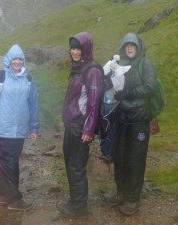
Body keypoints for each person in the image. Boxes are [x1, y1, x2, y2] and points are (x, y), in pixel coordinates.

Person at [103, 32, 157, 216]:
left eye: (132, 45)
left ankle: (133, 198)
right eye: (126, 45)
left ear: (138, 46)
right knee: (120, 157)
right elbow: (115, 85)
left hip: (139, 121)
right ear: (123, 48)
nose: (129, 48)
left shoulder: (145, 64)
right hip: (123, 119)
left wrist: (129, 93)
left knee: (135, 159)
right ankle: (121, 193)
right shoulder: (120, 65)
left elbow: (151, 87)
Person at [0, 44, 39, 211]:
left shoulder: (29, 80)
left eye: (20, 58)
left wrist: (34, 127)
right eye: (14, 58)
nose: (17, 61)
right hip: (2, 129)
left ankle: (2, 196)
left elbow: (33, 104)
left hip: (19, 130)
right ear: (8, 59)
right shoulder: (0, 77)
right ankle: (14, 200)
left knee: (1, 162)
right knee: (11, 163)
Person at [59, 32, 103, 218]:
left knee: (76, 167)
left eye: (79, 48)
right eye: (73, 48)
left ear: (86, 49)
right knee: (70, 165)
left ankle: (79, 209)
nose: (75, 52)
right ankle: (76, 201)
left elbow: (94, 102)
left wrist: (89, 129)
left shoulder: (91, 71)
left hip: (80, 127)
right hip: (71, 125)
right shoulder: (78, 68)